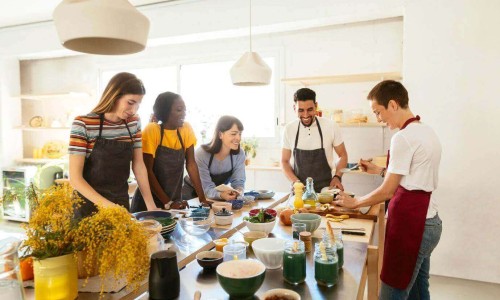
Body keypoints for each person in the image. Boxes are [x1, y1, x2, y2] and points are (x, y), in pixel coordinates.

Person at [333, 80, 442, 299]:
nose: (379, 119)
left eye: (378, 112)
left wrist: (355, 202)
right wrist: (379, 170)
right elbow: (411, 179)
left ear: (393, 105)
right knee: (419, 293)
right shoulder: (426, 131)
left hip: (412, 226)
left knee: (392, 292)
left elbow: (388, 191)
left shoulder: (403, 138)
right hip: (430, 221)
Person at [69, 72, 157, 219]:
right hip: (88, 207)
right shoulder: (83, 124)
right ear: (114, 96)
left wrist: (151, 206)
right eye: (130, 102)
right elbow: (75, 178)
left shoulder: (133, 122)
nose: (134, 110)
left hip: (120, 202)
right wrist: (110, 207)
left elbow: (138, 165)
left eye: (138, 104)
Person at [131, 92, 209, 211]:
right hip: (148, 203)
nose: (184, 113)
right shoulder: (152, 130)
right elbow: (147, 171)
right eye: (179, 110)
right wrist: (168, 202)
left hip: (174, 201)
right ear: (165, 111)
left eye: (184, 110)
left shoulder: (185, 129)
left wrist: (202, 199)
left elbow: (191, 165)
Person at [281, 87, 348, 192]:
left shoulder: (331, 126)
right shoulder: (289, 129)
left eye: (310, 109)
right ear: (294, 108)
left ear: (316, 106)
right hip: (300, 192)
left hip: (326, 191)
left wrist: (337, 177)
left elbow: (343, 155)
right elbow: (284, 161)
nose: (306, 115)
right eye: (301, 110)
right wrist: (295, 182)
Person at [182, 115, 246, 200]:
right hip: (191, 194)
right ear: (220, 134)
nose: (238, 138)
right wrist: (221, 195)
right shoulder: (202, 154)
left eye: (240, 134)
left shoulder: (239, 154)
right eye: (233, 134)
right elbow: (206, 188)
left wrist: (238, 192)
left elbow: (239, 182)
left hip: (214, 195)